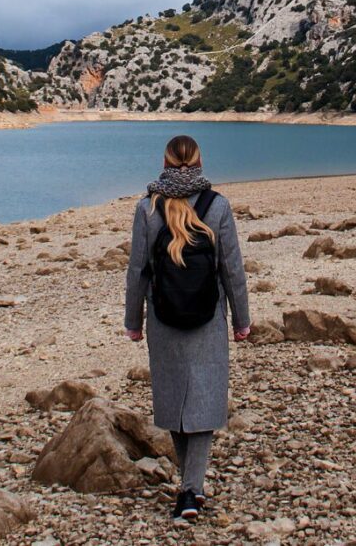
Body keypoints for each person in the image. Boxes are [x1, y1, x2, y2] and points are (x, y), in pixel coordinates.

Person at [124, 133, 251, 524]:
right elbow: (232, 269)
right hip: (207, 318)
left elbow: (137, 272)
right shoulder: (218, 206)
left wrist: (134, 322)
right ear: (199, 163)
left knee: (175, 402)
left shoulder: (147, 208)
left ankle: (187, 486)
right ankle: (192, 489)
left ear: (164, 164)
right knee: (203, 404)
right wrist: (242, 320)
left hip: (163, 319)